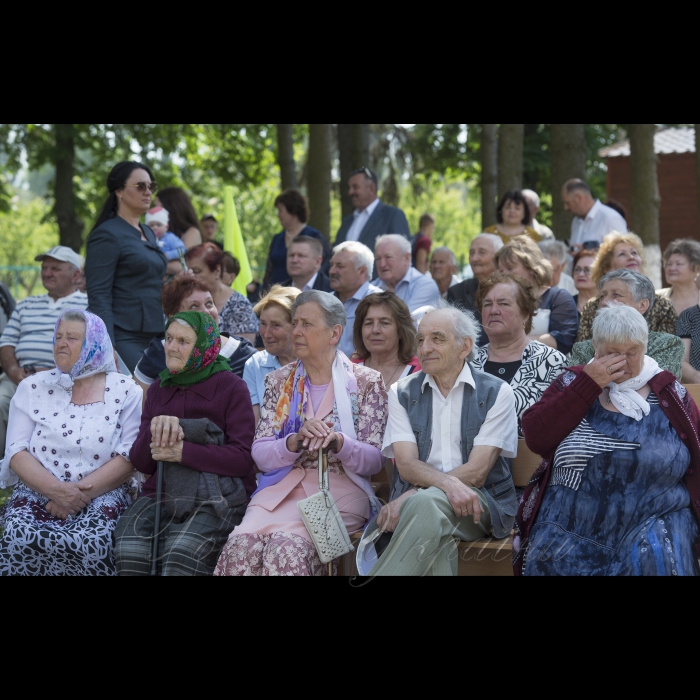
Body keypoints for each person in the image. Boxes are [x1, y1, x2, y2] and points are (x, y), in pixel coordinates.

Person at [516, 304, 700, 576]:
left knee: (655, 556)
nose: (623, 362)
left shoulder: (670, 392)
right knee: (550, 557)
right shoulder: (573, 382)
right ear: (596, 347)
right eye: (613, 353)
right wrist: (588, 384)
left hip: (656, 517)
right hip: (571, 519)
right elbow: (537, 437)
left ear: (644, 347)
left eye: (632, 352)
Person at [214, 291, 387, 577]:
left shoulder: (366, 382)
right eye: (295, 323)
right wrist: (293, 441)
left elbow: (374, 460)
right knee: (239, 547)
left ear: (334, 333)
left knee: (286, 549)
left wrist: (339, 443)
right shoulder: (279, 381)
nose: (296, 331)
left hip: (339, 491)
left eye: (307, 324)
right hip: (279, 491)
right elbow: (261, 453)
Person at [362, 301, 518, 577]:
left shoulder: (497, 393)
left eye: (437, 339)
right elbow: (407, 466)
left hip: (479, 503)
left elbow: (478, 471)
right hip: (421, 508)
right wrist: (442, 486)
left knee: (424, 505)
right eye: (421, 340)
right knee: (434, 528)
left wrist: (416, 494)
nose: (425, 348)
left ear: (465, 347)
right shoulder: (402, 392)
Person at [0, 309, 142, 575]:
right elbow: (16, 451)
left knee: (93, 541)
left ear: (94, 344)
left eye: (72, 338)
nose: (61, 343)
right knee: (20, 534)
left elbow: (129, 456)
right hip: (38, 489)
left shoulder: (126, 390)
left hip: (102, 492)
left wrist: (76, 495)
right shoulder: (33, 387)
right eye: (58, 336)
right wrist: (55, 490)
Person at [114, 311, 256, 576]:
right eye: (169, 338)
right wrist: (156, 425)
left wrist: (183, 452)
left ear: (203, 346)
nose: (171, 347)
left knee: (180, 557)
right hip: (162, 493)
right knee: (129, 549)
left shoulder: (231, 387)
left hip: (216, 495)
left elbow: (243, 458)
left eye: (183, 341)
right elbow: (142, 462)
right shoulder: (159, 388)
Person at [0, 246, 88, 459]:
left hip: (68, 379)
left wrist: (56, 372)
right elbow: (7, 342)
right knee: (1, 401)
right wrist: (13, 370)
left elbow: (91, 348)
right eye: (44, 268)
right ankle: (5, 467)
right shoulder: (26, 304)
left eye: (55, 268)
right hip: (19, 378)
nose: (47, 273)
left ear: (75, 274)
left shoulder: (88, 304)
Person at [85, 162, 167, 373]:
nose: (147, 191)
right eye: (140, 186)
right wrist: (106, 345)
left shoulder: (148, 231)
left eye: (151, 186)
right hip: (123, 337)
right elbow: (99, 295)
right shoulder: (106, 235)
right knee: (141, 399)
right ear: (119, 191)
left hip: (157, 333)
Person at [472, 273, 567, 435]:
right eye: (487, 304)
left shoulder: (552, 362)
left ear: (525, 314)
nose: (494, 310)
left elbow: (564, 424)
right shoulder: (466, 363)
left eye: (503, 304)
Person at [133, 276, 256, 393]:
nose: (206, 311)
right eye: (194, 306)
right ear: (173, 317)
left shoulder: (244, 355)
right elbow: (137, 407)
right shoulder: (159, 352)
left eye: (209, 303)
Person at [570, 270, 684, 378]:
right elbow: (572, 390)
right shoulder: (583, 349)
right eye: (602, 296)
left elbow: (661, 389)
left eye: (616, 295)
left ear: (643, 305)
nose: (604, 302)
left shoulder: (667, 345)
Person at [577, 232, 677, 342]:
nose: (631, 257)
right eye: (622, 254)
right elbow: (583, 351)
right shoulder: (592, 307)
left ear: (643, 304)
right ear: (607, 267)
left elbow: (666, 349)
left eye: (634, 253)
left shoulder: (663, 305)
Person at [495, 239, 578, 355]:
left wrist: (513, 342)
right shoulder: (497, 301)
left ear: (531, 267)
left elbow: (563, 341)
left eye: (510, 268)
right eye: (501, 270)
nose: (504, 274)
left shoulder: (558, 297)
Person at [243, 285, 301, 425]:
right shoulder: (255, 364)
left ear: (296, 326)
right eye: (263, 323)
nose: (266, 333)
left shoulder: (316, 362)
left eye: (276, 325)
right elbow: (256, 426)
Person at [186, 243, 259, 343]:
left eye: (197, 271)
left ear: (217, 271)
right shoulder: (184, 299)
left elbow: (243, 352)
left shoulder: (239, 305)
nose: (191, 276)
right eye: (188, 271)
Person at [334, 167, 410, 255]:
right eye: (349, 187)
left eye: (355, 187)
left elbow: (401, 256)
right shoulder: (347, 222)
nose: (350, 192)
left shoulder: (392, 216)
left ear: (371, 188)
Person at [352, 291, 421, 387]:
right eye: (368, 323)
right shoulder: (348, 370)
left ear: (401, 331)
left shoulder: (420, 372)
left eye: (385, 323)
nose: (375, 330)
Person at [263, 190, 331, 287]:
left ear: (292, 210)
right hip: (277, 293)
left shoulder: (314, 236)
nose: (278, 215)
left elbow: (325, 267)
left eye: (281, 210)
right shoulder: (277, 239)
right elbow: (269, 272)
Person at [329, 241, 382, 357]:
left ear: (362, 271)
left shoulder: (379, 302)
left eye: (339, 266)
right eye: (331, 265)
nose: (331, 271)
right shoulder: (323, 302)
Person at [448, 233, 503, 344]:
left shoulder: (513, 290)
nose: (474, 258)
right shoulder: (457, 292)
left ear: (498, 257)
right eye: (471, 253)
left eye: (482, 252)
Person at [373, 234, 440, 312]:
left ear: (406, 258)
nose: (382, 264)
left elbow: (407, 322)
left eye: (388, 257)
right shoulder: (372, 287)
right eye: (378, 258)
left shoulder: (425, 286)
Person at [562, 179, 628, 252]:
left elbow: (624, 252)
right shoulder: (576, 221)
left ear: (579, 198)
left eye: (567, 203)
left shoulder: (610, 218)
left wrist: (588, 252)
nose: (565, 207)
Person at [658, 238, 700, 316]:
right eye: (669, 264)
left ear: (697, 269)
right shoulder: (655, 299)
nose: (672, 268)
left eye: (679, 264)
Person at [571, 247, 599, 314]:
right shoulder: (564, 305)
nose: (581, 274)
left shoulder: (608, 306)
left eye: (587, 270)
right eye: (577, 269)